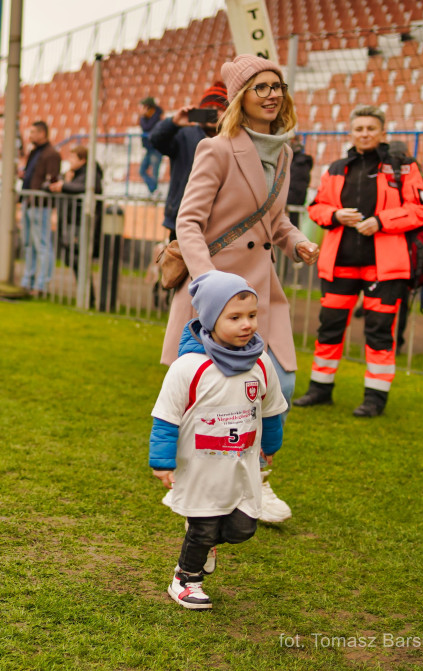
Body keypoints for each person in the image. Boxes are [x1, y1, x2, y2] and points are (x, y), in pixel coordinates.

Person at [161, 54, 320, 525]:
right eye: (261, 87)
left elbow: (277, 220)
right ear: (240, 97)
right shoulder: (217, 148)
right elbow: (187, 222)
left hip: (261, 287)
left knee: (279, 382)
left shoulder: (284, 151)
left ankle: (259, 480)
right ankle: (200, 482)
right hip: (214, 290)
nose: (272, 94)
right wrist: (208, 281)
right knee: (206, 393)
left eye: (277, 86)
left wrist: (297, 243)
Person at [150, 271, 287, 610]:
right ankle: (185, 579)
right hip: (200, 470)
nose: (247, 325)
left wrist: (271, 445)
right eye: (235, 317)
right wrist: (162, 462)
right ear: (210, 320)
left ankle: (206, 542)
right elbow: (165, 417)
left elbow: (272, 410)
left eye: (252, 316)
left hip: (240, 468)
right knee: (203, 527)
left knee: (243, 529)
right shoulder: (188, 367)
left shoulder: (261, 362)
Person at [294, 106, 423, 417]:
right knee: (329, 328)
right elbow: (316, 207)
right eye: (359, 128)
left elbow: (420, 210)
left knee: (380, 332)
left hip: (385, 267)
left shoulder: (403, 166)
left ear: (383, 132)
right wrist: (335, 215)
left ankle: (375, 399)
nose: (365, 133)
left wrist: (381, 221)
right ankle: (319, 389)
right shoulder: (336, 168)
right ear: (351, 132)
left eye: (371, 128)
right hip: (339, 264)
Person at [150, 81, 228, 241]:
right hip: (182, 220)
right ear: (200, 112)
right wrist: (173, 123)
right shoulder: (185, 134)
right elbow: (156, 139)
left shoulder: (233, 142)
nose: (214, 113)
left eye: (219, 109)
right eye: (208, 109)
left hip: (219, 225)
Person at [48, 144, 103, 282]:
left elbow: (87, 188)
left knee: (78, 257)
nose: (69, 161)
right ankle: (84, 293)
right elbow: (50, 185)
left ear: (82, 160)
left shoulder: (92, 174)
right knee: (70, 256)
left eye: (73, 158)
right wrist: (65, 182)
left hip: (81, 222)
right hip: (70, 221)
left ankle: (87, 295)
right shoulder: (71, 174)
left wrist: (64, 185)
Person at [18, 120, 61, 294]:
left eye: (34, 132)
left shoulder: (51, 154)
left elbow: (52, 180)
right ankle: (28, 280)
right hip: (29, 202)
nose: (31, 136)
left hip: (40, 205)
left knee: (42, 244)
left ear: (43, 133)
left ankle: (41, 284)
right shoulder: (34, 152)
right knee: (28, 244)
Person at [286, 136, 314, 230]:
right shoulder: (297, 161)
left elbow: (297, 185)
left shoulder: (299, 162)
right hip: (291, 203)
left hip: (292, 204)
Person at [138, 96, 164, 195]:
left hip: (156, 148)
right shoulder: (146, 118)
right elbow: (144, 126)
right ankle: (154, 190)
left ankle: (155, 192)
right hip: (149, 149)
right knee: (142, 171)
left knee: (154, 173)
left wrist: (143, 116)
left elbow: (147, 127)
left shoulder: (157, 117)